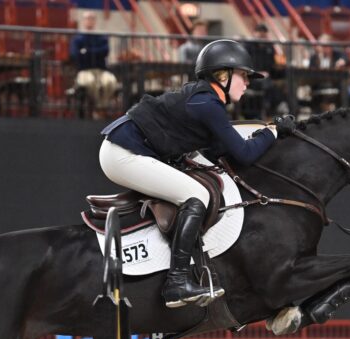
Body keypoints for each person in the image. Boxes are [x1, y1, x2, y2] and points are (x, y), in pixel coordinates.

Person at [98, 39, 297, 308]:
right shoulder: (207, 104)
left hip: (125, 150)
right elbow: (245, 154)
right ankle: (177, 282)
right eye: (243, 76)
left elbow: (218, 152)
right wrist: (272, 131)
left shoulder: (206, 100)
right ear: (222, 75)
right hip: (122, 154)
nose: (247, 83)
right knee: (197, 194)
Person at [70, 11, 118, 119]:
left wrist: (86, 51)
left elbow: (105, 51)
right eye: (87, 18)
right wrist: (96, 52)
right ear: (83, 21)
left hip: (101, 70)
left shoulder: (101, 37)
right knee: (90, 82)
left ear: (95, 21)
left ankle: (101, 107)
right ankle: (99, 108)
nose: (90, 21)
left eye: (92, 18)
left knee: (110, 81)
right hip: (84, 70)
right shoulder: (77, 38)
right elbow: (74, 54)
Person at [242, 23, 288, 119]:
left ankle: (275, 107)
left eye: (264, 33)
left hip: (267, 78)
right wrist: (257, 72)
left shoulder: (269, 47)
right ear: (254, 33)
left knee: (284, 81)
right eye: (259, 32)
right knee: (268, 83)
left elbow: (271, 66)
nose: (262, 35)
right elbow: (244, 64)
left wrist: (280, 69)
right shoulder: (248, 46)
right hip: (251, 77)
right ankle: (275, 106)